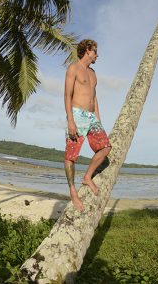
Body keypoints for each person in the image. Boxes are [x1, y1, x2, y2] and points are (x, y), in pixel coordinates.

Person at [64, 39, 111, 211]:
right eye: (95, 51)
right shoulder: (73, 68)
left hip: (91, 117)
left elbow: (94, 98)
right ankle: (73, 193)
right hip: (77, 115)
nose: (97, 54)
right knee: (71, 157)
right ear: (88, 51)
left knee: (105, 148)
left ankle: (87, 177)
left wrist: (98, 119)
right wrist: (70, 120)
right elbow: (67, 96)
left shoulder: (93, 73)